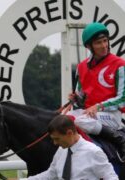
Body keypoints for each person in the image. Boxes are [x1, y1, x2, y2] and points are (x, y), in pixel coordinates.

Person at [67, 22, 125, 161]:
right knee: (63, 120)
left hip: (112, 116)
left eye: (105, 41)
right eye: (99, 43)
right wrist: (76, 99)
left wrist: (99, 106)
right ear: (89, 46)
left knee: (80, 120)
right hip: (89, 114)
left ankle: (120, 139)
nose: (104, 46)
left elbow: (123, 98)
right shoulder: (81, 67)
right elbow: (80, 99)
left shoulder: (120, 64)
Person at [21, 115, 118, 180]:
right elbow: (51, 173)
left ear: (69, 133)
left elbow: (111, 178)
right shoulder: (61, 150)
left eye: (57, 139)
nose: (55, 143)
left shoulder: (93, 152)